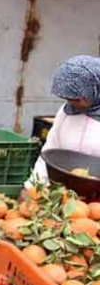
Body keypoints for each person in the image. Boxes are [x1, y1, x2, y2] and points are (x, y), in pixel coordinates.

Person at [25, 54, 100, 189]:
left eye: (77, 99)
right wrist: (32, 187)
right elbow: (50, 151)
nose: (72, 103)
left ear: (95, 89)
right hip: (65, 195)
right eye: (67, 98)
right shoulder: (67, 112)